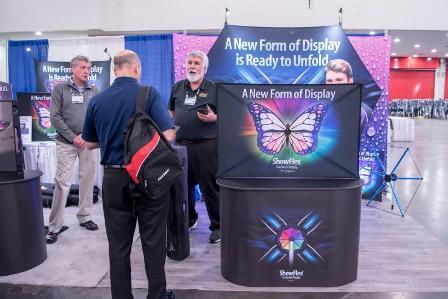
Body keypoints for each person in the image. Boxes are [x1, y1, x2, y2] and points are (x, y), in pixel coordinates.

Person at [82, 50, 175, 299]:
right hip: (147, 177)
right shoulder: (148, 94)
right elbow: (168, 135)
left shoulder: (96, 101)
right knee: (153, 242)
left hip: (113, 178)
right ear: (136, 68)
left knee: (118, 246)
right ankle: (156, 295)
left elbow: (90, 142)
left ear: (115, 70)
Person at [168, 50, 221, 243]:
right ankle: (189, 220)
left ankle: (218, 226)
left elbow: (227, 115)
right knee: (183, 186)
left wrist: (214, 118)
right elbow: (172, 110)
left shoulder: (214, 88)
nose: (192, 66)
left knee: (210, 187)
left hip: (206, 146)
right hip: (181, 146)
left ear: (204, 68)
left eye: (197, 63)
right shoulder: (177, 87)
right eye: (189, 62)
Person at [46, 55, 99, 244]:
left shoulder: (94, 90)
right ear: (73, 69)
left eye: (89, 68)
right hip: (65, 143)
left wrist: (87, 136)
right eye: (83, 67)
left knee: (88, 179)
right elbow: (55, 117)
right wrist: (73, 137)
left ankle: (85, 217)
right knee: (62, 182)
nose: (87, 71)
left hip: (88, 142)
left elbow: (97, 116)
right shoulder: (60, 89)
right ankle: (54, 226)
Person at [325, 58, 369, 125]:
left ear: (350, 81)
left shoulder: (362, 112)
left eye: (339, 80)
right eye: (329, 81)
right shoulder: (320, 109)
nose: (334, 85)